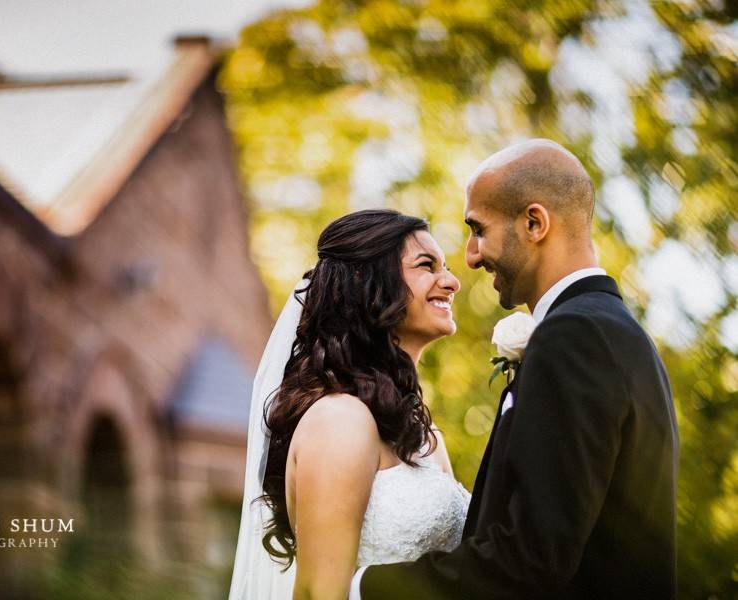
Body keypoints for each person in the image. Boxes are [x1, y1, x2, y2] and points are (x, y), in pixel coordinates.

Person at [354, 139, 679, 599]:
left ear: (534, 222)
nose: (470, 256)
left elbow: (530, 559)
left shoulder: (574, 337)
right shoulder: (616, 332)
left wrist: (365, 587)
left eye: (478, 229)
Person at [229, 209, 470, 600]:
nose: (452, 281)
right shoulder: (339, 418)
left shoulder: (423, 434)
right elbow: (320, 593)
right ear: (369, 285)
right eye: (427, 265)